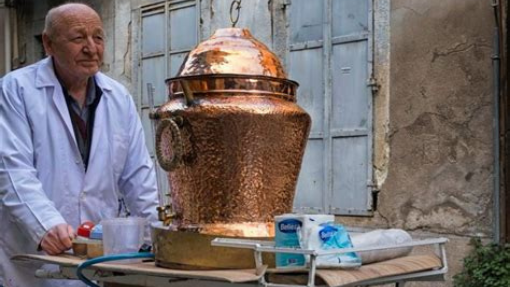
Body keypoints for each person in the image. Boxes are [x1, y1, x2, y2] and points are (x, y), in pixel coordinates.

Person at [0, 3, 159, 287]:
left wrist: (155, 235)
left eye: (98, 38)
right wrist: (45, 225)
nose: (90, 48)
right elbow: (13, 171)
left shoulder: (118, 97)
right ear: (48, 43)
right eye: (78, 38)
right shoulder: (16, 90)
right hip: (32, 256)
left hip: (98, 258)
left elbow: (138, 176)